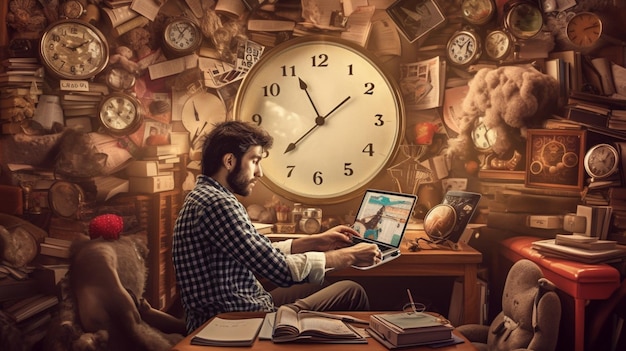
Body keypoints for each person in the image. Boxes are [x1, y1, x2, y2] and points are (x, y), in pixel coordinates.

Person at [172, 121, 382, 334]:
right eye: (254, 161)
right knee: (351, 291)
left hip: (241, 305)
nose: (259, 172)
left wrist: (316, 241)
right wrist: (348, 256)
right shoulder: (218, 204)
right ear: (229, 161)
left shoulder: (204, 196)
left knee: (318, 283)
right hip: (237, 321)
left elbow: (259, 252)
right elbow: (277, 269)